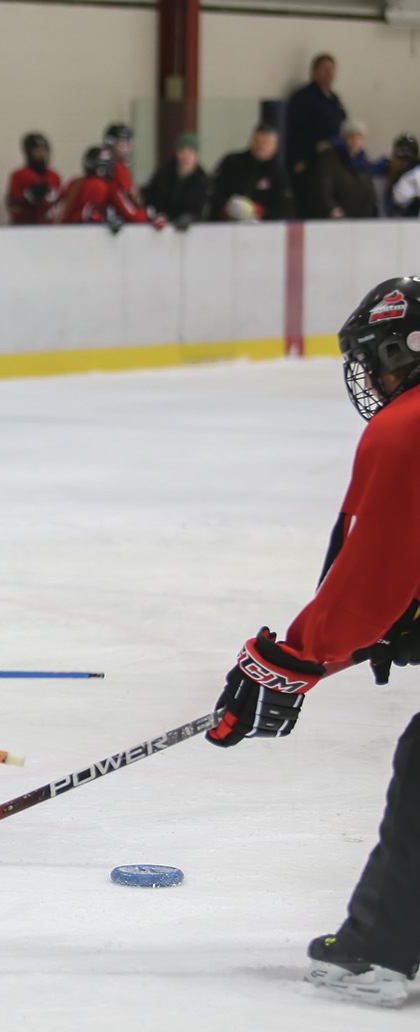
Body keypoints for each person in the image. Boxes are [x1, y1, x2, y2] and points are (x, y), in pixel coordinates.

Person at [204, 275, 420, 1008]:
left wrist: (289, 661)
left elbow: (369, 586)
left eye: (375, 358)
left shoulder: (406, 428)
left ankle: (384, 952)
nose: (370, 376)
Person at [286, 54, 347, 217]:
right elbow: (294, 129)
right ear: (314, 72)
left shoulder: (334, 99)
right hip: (310, 160)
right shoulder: (303, 97)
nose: (329, 74)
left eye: (332, 70)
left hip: (331, 159)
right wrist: (298, 158)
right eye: (325, 69)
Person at [209, 124, 293, 222]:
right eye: (256, 141)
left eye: (265, 143)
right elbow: (213, 189)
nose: (260, 146)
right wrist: (225, 209)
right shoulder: (232, 162)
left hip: (262, 229)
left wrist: (259, 210)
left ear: (275, 147)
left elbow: (285, 209)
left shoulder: (278, 172)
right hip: (226, 225)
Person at [52, 145, 148, 228]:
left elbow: (58, 212)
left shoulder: (74, 182)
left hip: (61, 232)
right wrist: (148, 215)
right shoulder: (105, 185)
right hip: (86, 236)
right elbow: (133, 215)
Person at [312, 120, 379, 219]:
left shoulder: (364, 163)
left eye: (359, 137)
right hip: (340, 219)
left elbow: (370, 191)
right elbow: (324, 188)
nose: (356, 141)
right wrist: (332, 208)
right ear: (344, 139)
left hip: (364, 218)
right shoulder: (330, 159)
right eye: (351, 137)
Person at [141, 132, 210, 228]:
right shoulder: (163, 175)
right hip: (161, 228)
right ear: (176, 153)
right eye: (182, 152)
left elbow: (202, 209)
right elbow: (151, 198)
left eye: (190, 152)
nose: (186, 157)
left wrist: (191, 218)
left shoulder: (203, 181)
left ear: (196, 156)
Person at [6, 132, 61, 225]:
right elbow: (12, 204)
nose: (42, 154)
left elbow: (59, 204)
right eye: (37, 151)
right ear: (29, 153)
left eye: (44, 150)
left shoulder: (54, 176)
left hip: (49, 227)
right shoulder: (19, 175)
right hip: (25, 227)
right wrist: (28, 197)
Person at [383, 134, 419, 216]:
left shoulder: (414, 176)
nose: (403, 163)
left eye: (406, 159)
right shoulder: (386, 170)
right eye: (399, 158)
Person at [103, 122, 139, 203]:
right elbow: (131, 196)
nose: (127, 146)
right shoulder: (116, 166)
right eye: (122, 141)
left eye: (128, 141)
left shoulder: (108, 162)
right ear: (110, 142)